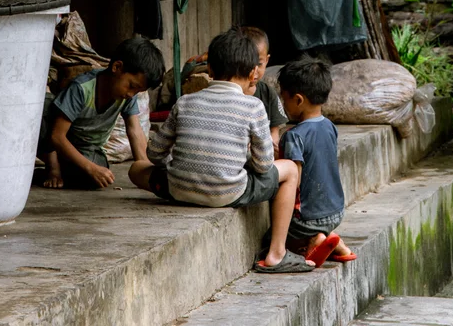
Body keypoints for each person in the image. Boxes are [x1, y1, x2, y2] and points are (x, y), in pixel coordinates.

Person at [130, 29, 315, 273]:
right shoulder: (254, 106)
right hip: (228, 192)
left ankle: (189, 183)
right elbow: (262, 166)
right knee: (290, 169)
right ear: (252, 74)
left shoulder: (184, 102)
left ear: (209, 71)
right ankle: (277, 253)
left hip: (178, 190)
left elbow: (154, 155)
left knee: (136, 168)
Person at [46, 37, 165, 189]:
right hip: (58, 145)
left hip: (87, 150)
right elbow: (57, 136)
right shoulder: (82, 89)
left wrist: (144, 171)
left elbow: (134, 130)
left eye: (137, 91)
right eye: (131, 86)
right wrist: (90, 168)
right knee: (45, 109)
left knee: (94, 177)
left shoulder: (127, 96)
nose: (131, 94)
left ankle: (66, 170)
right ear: (117, 67)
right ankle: (53, 167)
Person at [278, 57, 356, 263]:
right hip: (336, 213)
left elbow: (294, 180)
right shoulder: (330, 126)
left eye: (284, 98)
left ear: (298, 100)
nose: (283, 104)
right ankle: (334, 241)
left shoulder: (294, 136)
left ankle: (316, 239)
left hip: (308, 220)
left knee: (276, 232)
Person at [239, 25, 288, 153]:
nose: (254, 71)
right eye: (248, 64)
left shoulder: (268, 93)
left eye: (259, 64)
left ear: (267, 60)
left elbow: (274, 131)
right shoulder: (232, 93)